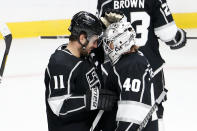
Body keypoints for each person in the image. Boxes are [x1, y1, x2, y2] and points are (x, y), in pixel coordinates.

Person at [96, 0, 187, 129]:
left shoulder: (105, 1)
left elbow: (100, 34)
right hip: (149, 68)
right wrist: (179, 37)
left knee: (112, 114)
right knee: (154, 115)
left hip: (114, 68)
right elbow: (168, 34)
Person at [44, 11, 117, 131]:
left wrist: (110, 27)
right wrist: (92, 100)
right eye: (94, 41)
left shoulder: (86, 54)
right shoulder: (60, 63)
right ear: (82, 38)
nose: (95, 45)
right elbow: (59, 105)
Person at [97, 21, 158, 131]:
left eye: (109, 42)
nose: (106, 47)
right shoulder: (132, 60)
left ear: (121, 41)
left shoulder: (132, 66)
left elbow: (132, 114)